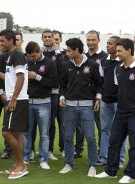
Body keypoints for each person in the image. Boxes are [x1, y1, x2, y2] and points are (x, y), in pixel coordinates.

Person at [59, 38, 101, 177]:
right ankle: (69, 164)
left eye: (69, 50)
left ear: (77, 50)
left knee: (90, 137)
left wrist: (98, 98)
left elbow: (99, 84)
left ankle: (93, 165)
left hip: (87, 107)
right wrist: (62, 97)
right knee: (68, 137)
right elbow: (62, 84)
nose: (67, 53)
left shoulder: (93, 65)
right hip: (69, 107)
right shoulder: (66, 65)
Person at [95, 38, 135, 184]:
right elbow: (120, 90)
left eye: (119, 51)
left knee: (133, 145)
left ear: (129, 50)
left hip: (133, 114)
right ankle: (110, 171)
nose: (117, 54)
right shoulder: (118, 69)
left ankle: (130, 173)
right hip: (120, 112)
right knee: (114, 142)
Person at [0, 29, 29, 179]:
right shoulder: (10, 56)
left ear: (11, 41)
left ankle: (21, 164)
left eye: (3, 41)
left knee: (6, 132)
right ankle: (19, 165)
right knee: (16, 133)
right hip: (16, 98)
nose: (0, 44)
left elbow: (21, 77)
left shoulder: (17, 55)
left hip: (18, 99)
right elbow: (10, 77)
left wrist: (14, 99)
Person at [23, 41, 58, 169]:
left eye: (33, 56)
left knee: (44, 133)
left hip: (44, 103)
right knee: (26, 132)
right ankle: (25, 156)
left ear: (39, 52)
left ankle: (43, 159)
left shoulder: (49, 63)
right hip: (27, 102)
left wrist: (37, 77)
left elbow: (54, 83)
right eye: (29, 56)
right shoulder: (26, 62)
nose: (31, 58)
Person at [74, 30, 108, 158]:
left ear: (99, 40)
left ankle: (101, 152)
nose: (90, 42)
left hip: (99, 97)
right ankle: (79, 149)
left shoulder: (104, 57)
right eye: (88, 40)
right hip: (83, 97)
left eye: (93, 40)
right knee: (80, 125)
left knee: (101, 126)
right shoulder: (82, 56)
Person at [97, 36, 127, 168]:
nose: (107, 46)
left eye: (110, 44)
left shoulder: (123, 62)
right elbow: (100, 81)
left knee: (121, 132)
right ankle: (104, 158)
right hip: (105, 101)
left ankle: (120, 160)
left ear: (117, 46)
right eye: (107, 43)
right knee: (105, 130)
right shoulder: (103, 61)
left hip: (120, 103)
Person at [41, 29, 65, 160]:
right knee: (48, 123)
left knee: (62, 123)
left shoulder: (60, 54)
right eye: (46, 37)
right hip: (43, 93)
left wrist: (57, 51)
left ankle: (62, 148)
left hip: (58, 92)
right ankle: (47, 149)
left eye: (50, 37)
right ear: (42, 39)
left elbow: (62, 70)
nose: (48, 39)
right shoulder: (41, 53)